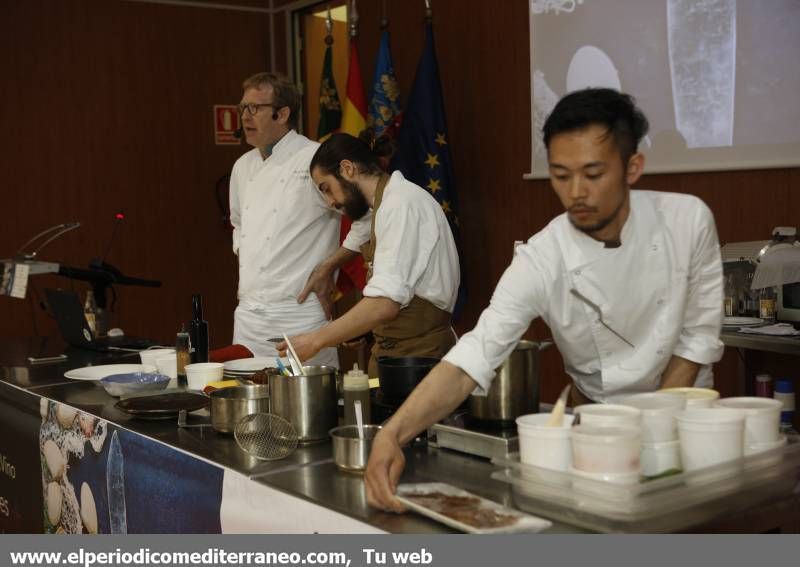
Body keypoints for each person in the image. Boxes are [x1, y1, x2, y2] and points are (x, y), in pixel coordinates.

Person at [365, 88, 724, 511]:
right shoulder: (544, 255)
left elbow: (695, 341)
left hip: (682, 425)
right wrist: (392, 433)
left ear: (632, 168)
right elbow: (475, 355)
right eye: (561, 174)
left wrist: (652, 433)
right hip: (596, 426)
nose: (576, 192)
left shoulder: (688, 221)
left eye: (593, 174)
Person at [279, 133, 460, 377]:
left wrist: (315, 340)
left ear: (347, 168)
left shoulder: (402, 204)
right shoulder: (382, 205)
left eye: (327, 189)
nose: (330, 202)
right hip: (395, 356)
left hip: (419, 362)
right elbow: (362, 234)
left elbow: (384, 304)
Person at [229, 73, 369, 366]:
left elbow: (366, 218)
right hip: (249, 317)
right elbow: (239, 223)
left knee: (309, 407)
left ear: (282, 114)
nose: (245, 117)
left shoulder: (314, 158)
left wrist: (330, 265)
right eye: (242, 108)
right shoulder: (242, 167)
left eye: (254, 108)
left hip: (299, 313)